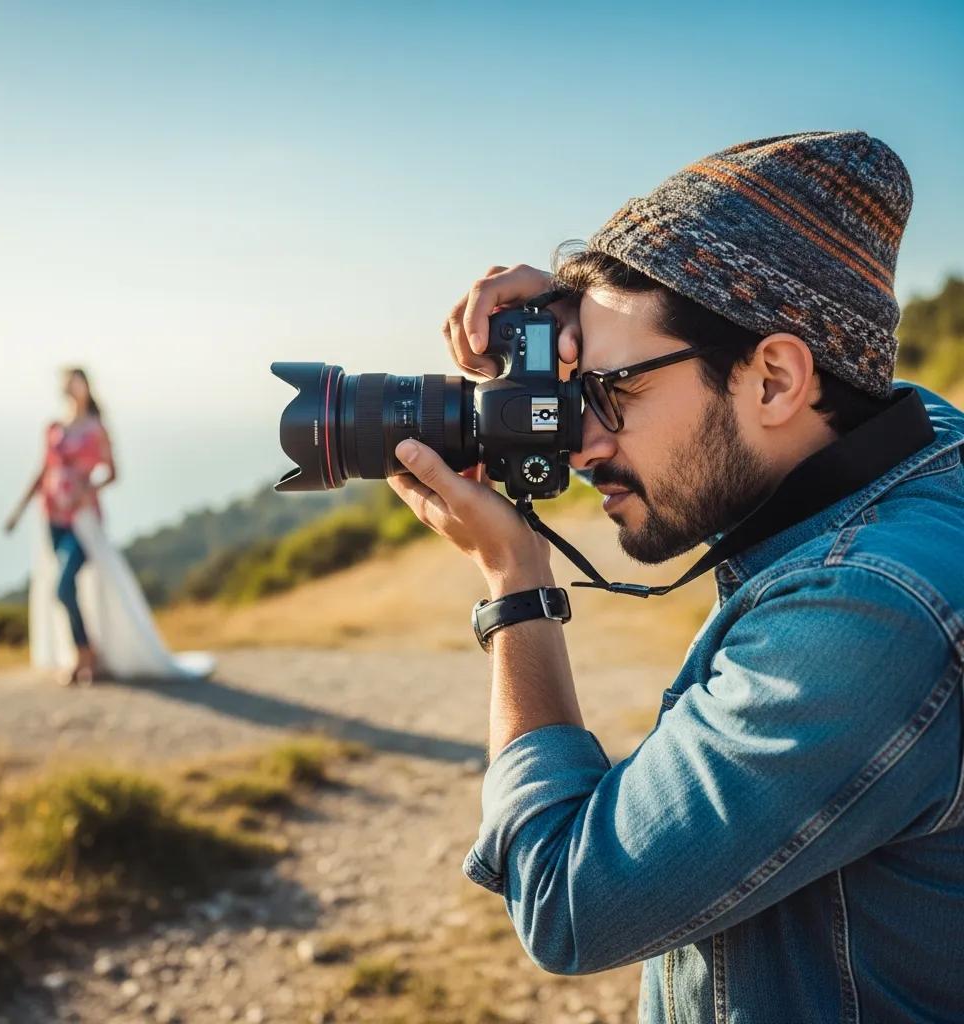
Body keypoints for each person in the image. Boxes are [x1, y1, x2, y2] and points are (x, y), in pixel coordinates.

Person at [389, 132, 964, 1021]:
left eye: (612, 393)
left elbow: (563, 900)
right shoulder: (919, 461)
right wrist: (594, 302)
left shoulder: (865, 615)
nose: (580, 440)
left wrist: (516, 582)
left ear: (775, 378)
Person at [5, 368, 213, 684]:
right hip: (51, 516)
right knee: (65, 587)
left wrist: (87, 490)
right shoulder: (53, 427)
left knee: (64, 585)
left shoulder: (96, 429)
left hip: (83, 519)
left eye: (78, 383)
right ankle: (81, 655)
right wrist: (18, 511)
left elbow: (113, 472)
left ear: (87, 388)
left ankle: (88, 653)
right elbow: (42, 470)